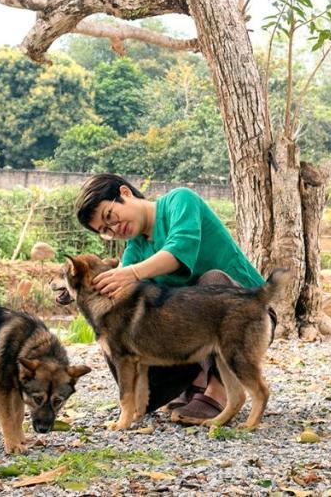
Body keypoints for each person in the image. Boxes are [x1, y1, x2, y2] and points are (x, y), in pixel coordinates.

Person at [73, 173, 265, 422]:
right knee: (119, 333)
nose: (114, 228)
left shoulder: (180, 201)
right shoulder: (135, 250)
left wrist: (130, 273)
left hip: (243, 315)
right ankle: (195, 380)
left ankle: (218, 391)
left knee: (211, 282)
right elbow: (123, 303)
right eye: (105, 230)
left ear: (125, 193)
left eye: (110, 216)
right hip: (192, 333)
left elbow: (178, 250)